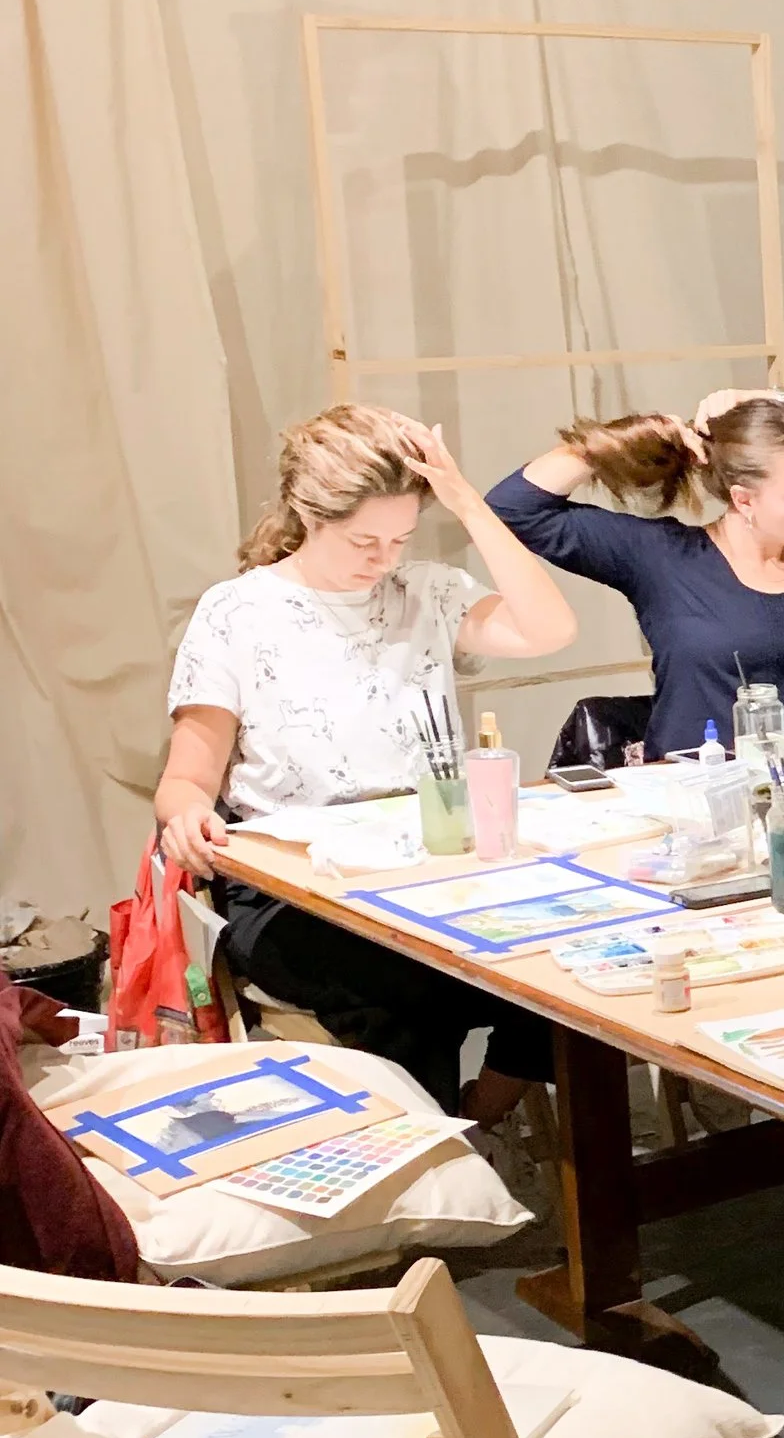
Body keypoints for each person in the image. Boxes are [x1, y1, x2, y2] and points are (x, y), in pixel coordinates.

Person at [154, 405, 578, 1122]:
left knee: (567, 966)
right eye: (363, 540)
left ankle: (482, 1115)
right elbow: (185, 780)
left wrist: (467, 502)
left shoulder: (426, 593)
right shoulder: (238, 612)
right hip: (297, 889)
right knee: (406, 988)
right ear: (308, 514)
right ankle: (430, 1173)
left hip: (429, 871)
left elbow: (551, 629)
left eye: (401, 537)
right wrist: (188, 815)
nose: (382, 559)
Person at [484, 387, 784, 754]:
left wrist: (766, 399)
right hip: (695, 803)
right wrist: (629, 438)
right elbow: (513, 506)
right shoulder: (663, 558)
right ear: (743, 500)